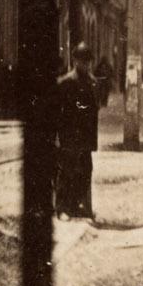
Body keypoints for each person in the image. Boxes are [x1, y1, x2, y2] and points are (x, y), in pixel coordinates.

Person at [55, 44, 101, 220]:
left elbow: (94, 109)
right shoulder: (66, 82)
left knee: (85, 171)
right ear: (75, 61)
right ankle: (62, 209)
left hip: (86, 136)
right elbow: (57, 111)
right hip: (69, 135)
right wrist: (57, 136)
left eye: (88, 62)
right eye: (83, 61)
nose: (86, 65)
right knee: (66, 172)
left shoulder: (92, 82)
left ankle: (75, 205)